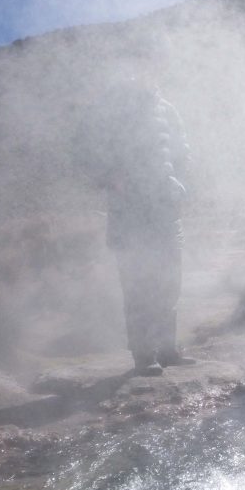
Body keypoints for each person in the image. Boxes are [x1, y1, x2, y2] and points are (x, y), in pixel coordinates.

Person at [102, 81, 193, 376]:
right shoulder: (112, 111)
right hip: (130, 217)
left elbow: (182, 150)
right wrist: (114, 179)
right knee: (138, 286)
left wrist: (180, 178)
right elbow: (88, 156)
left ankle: (167, 349)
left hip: (166, 212)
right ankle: (144, 354)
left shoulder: (167, 109)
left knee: (169, 283)